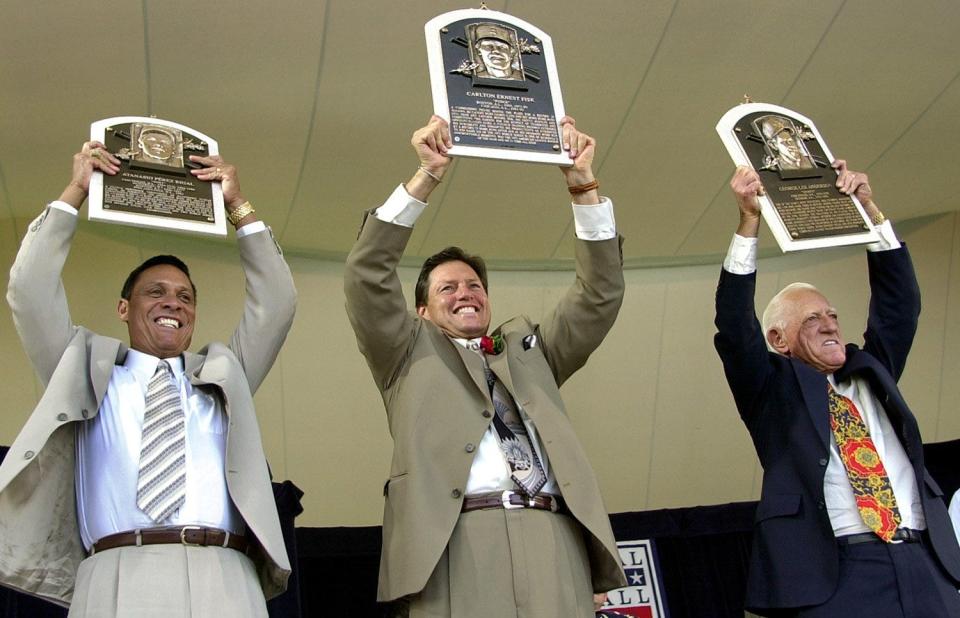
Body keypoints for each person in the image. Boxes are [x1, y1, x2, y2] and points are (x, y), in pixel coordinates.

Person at [344, 115, 627, 617]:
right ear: (422, 312)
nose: (466, 293)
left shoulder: (531, 352)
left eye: (474, 285)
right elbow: (367, 271)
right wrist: (426, 176)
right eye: (447, 288)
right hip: (455, 545)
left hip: (554, 534)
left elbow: (598, 296)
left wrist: (583, 186)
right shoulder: (404, 352)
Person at [0, 140, 296, 617]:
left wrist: (239, 206)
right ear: (124, 308)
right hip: (117, 572)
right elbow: (30, 292)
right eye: (155, 292)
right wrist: (75, 192)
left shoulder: (225, 376)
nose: (172, 303)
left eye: (184, 297)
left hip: (223, 574)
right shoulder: (82, 368)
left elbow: (277, 305)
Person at [714, 161, 960, 616]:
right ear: (778, 340)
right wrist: (749, 222)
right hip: (838, 574)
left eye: (831, 315)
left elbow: (900, 306)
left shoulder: (872, 370)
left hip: (923, 560)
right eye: (811, 319)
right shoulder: (771, 390)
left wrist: (869, 213)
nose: (829, 324)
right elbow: (733, 327)